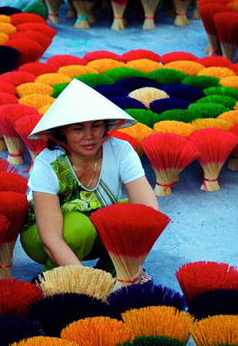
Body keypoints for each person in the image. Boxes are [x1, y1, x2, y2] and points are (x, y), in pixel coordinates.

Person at [20, 80, 159, 282]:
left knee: (138, 216)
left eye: (96, 126)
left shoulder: (121, 151)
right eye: (78, 129)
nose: (89, 136)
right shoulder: (47, 164)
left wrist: (133, 261)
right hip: (44, 238)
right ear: (62, 132)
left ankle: (113, 269)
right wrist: (90, 282)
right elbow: (51, 239)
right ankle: (51, 277)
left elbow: (149, 211)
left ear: (105, 126)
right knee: (79, 227)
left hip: (96, 232)